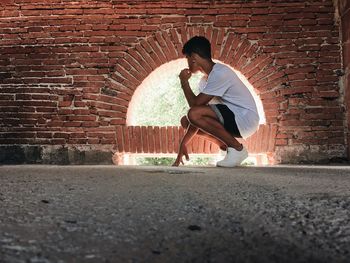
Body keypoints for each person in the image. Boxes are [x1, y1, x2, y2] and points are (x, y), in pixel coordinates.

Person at [172, 36, 259, 167]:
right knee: (186, 121)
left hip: (245, 118)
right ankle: (226, 146)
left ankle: (237, 149)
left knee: (193, 114)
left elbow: (195, 107)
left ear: (194, 57)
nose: (187, 63)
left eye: (187, 58)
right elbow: (198, 116)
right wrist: (183, 143)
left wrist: (184, 82)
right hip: (233, 119)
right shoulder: (205, 81)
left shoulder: (220, 73)